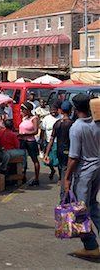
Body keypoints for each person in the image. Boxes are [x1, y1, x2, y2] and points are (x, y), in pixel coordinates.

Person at [64, 94, 100, 259]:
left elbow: (74, 157)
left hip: (84, 173)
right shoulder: (97, 123)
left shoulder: (77, 127)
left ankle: (90, 246)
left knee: (81, 210)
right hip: (97, 169)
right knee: (92, 204)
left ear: (75, 108)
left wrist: (67, 177)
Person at [44, 100, 73, 201]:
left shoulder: (57, 123)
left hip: (59, 152)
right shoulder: (72, 124)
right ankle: (64, 198)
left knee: (62, 172)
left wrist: (46, 154)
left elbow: (51, 139)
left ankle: (64, 195)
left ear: (60, 111)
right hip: (69, 152)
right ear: (70, 111)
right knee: (68, 176)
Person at [18, 102, 40, 186]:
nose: (22, 111)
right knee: (23, 159)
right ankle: (23, 176)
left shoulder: (34, 118)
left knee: (34, 159)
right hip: (22, 141)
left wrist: (24, 134)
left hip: (30, 141)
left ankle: (36, 178)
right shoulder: (24, 118)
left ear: (27, 110)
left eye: (23, 110)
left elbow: (35, 131)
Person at [40, 104, 62, 180]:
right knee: (47, 160)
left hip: (58, 142)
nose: (53, 112)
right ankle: (52, 170)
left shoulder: (61, 118)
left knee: (58, 161)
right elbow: (42, 131)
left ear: (57, 110)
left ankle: (60, 177)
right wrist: (41, 140)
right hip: (48, 142)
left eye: (54, 110)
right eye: (51, 110)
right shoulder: (46, 118)